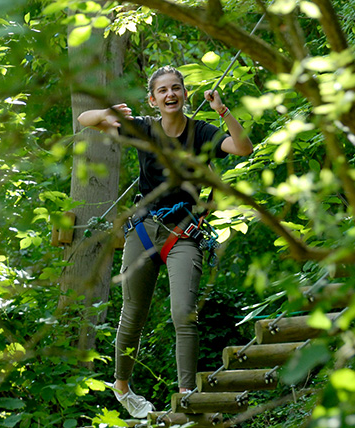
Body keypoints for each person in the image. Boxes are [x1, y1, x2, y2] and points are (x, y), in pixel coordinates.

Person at [77, 65, 253, 418]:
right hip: (144, 231)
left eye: (176, 88)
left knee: (183, 314)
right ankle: (122, 387)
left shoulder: (202, 132)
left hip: (183, 234)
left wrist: (224, 111)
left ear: (185, 95)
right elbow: (86, 119)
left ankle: (186, 393)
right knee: (133, 314)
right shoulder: (143, 127)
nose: (170, 95)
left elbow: (242, 148)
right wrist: (108, 113)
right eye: (163, 91)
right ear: (153, 99)